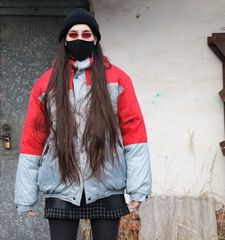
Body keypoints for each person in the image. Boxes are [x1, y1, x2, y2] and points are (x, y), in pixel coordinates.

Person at [14, 8, 151, 240]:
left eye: (86, 34)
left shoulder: (118, 79)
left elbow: (133, 133)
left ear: (95, 39)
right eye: (73, 34)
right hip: (62, 183)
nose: (80, 39)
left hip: (106, 183)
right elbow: (33, 138)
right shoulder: (46, 83)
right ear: (64, 40)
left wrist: (138, 188)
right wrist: (25, 194)